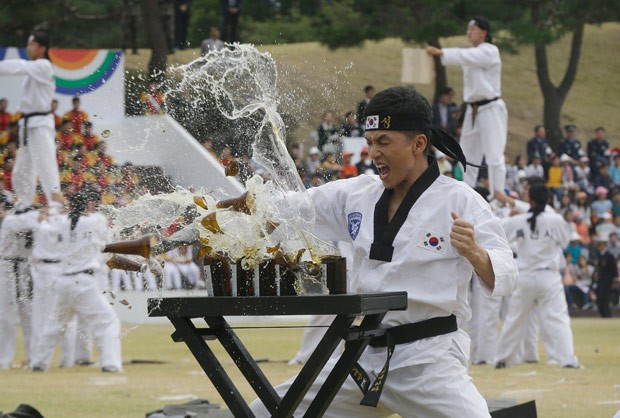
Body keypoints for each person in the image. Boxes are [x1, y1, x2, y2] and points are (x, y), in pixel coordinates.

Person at [249, 86, 517, 417]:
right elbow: (294, 207)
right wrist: (248, 207)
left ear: (418, 144)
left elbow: (507, 272)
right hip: (360, 357)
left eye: (384, 141)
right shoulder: (356, 194)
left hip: (428, 360)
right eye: (371, 140)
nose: (373, 151)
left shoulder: (459, 200)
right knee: (263, 413)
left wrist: (476, 253)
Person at [29, 190, 122, 372]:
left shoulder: (60, 223)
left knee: (55, 324)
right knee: (108, 321)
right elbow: (103, 230)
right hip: (84, 281)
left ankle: (39, 363)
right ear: (87, 205)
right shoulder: (95, 221)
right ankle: (110, 363)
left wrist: (61, 203)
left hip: (63, 280)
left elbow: (51, 222)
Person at [494, 184, 580, 369]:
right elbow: (564, 241)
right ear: (548, 200)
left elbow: (499, 234)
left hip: (524, 276)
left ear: (529, 201)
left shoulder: (519, 220)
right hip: (548, 277)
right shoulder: (555, 220)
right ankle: (567, 360)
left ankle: (502, 359)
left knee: (514, 319)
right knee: (558, 318)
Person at [427, 17, 507, 197]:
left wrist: (441, 52)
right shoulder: (473, 53)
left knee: (494, 153)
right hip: (473, 109)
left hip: (491, 107)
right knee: (467, 152)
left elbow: (466, 56)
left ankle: (498, 190)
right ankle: (466, 189)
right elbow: (466, 57)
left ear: (484, 32)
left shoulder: (490, 51)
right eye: (468, 29)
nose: (469, 32)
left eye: (473, 29)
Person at [0, 32, 64, 209]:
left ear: (42, 48)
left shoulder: (43, 65)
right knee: (21, 169)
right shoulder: (34, 68)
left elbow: (17, 66)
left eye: (32, 44)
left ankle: (55, 206)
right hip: (28, 124)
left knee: (46, 164)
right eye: (28, 44)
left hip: (40, 124)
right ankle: (24, 204)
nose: (29, 48)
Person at [0, 206, 40, 369]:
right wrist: (41, 214)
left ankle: (32, 358)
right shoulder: (11, 222)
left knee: (29, 315)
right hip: (6, 267)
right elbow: (22, 221)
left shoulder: (35, 224)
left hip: (24, 268)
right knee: (6, 317)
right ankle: (5, 359)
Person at [592, 233, 618, 318]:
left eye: (600, 244)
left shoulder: (609, 256)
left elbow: (614, 270)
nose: (599, 246)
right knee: (599, 299)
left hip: (607, 281)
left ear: (604, 245)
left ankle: (607, 315)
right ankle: (603, 315)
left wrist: (615, 280)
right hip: (600, 280)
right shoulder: (600, 255)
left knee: (605, 299)